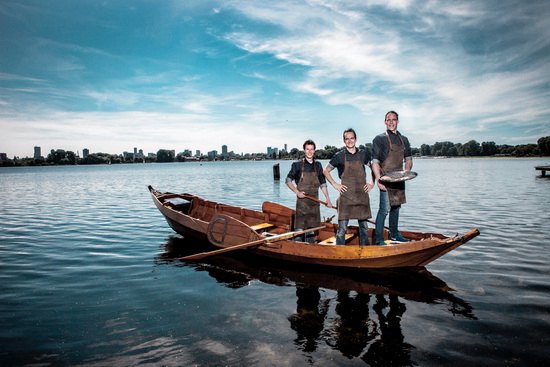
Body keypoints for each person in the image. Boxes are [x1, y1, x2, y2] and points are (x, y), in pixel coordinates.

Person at [323, 128, 374, 246]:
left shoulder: (363, 154)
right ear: (344, 141)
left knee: (364, 229)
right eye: (347, 139)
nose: (350, 141)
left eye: (352, 138)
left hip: (362, 196)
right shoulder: (339, 156)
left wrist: (371, 183)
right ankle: (340, 251)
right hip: (345, 198)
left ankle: (366, 251)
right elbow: (326, 171)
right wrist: (335, 184)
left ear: (356, 139)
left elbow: (374, 168)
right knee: (341, 230)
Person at [371, 111, 413, 245]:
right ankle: (379, 240)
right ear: (385, 122)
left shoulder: (404, 139)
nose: (391, 122)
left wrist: (406, 172)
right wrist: (378, 179)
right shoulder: (379, 139)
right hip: (385, 178)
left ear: (398, 121)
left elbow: (408, 159)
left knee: (396, 207)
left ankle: (394, 235)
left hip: (399, 178)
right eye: (388, 120)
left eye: (393, 119)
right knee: (384, 209)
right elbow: (375, 162)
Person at [286, 140, 333, 242]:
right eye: (307, 149)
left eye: (312, 149)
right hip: (302, 204)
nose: (309, 151)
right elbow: (288, 180)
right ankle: (295, 252)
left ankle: (309, 252)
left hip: (314, 204)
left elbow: (322, 183)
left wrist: (328, 199)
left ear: (314, 151)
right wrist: (297, 192)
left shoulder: (318, 165)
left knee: (311, 232)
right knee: (299, 231)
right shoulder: (297, 165)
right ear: (304, 150)